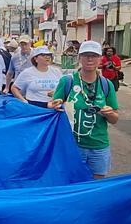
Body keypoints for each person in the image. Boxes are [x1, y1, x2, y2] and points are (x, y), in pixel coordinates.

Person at [50, 40, 119, 179]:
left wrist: (109, 113)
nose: (90, 59)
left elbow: (115, 119)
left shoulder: (106, 85)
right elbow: (52, 106)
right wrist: (54, 105)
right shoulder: (67, 81)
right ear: (79, 57)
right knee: (71, 183)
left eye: (94, 55)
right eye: (86, 55)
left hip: (99, 146)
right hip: (72, 144)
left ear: (100, 59)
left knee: (95, 186)